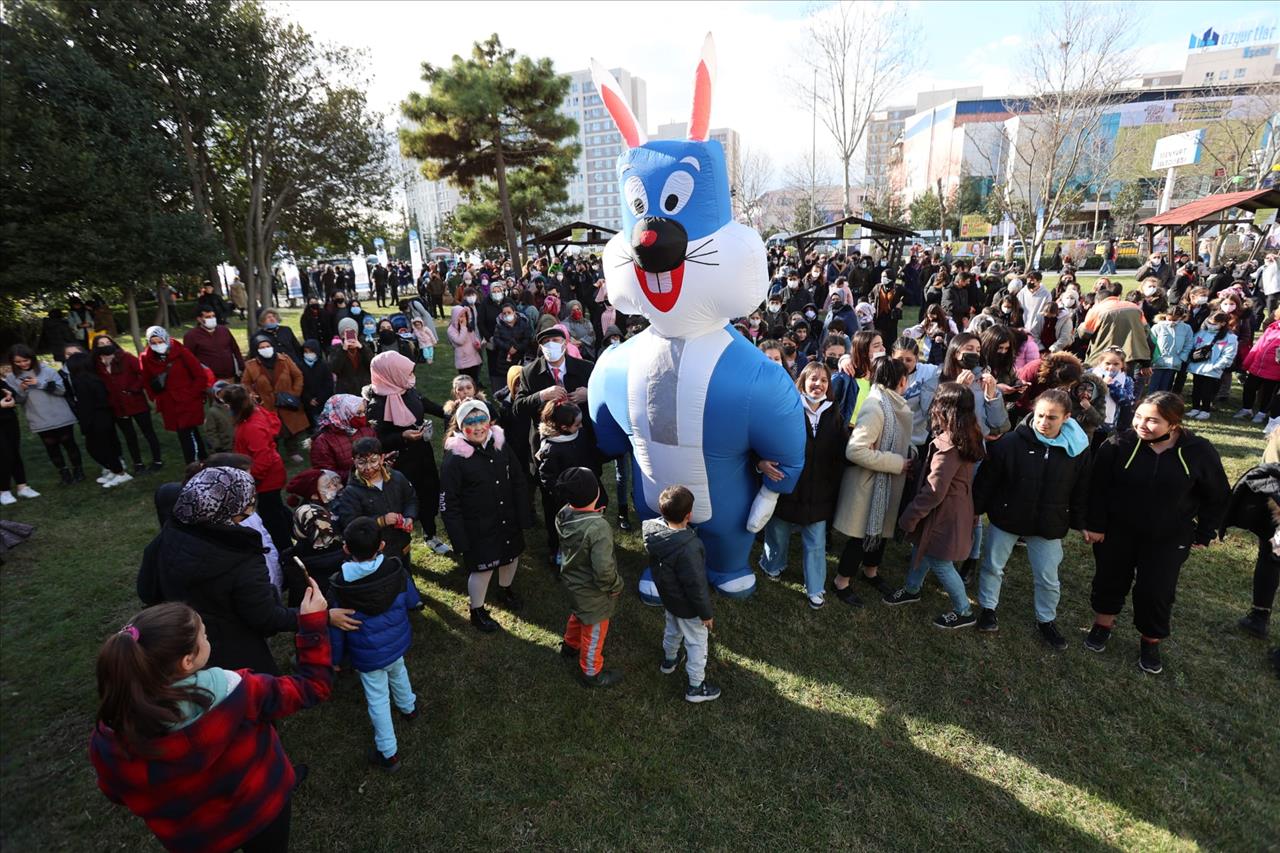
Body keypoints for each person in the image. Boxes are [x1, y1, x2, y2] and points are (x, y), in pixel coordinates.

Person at [89, 591, 332, 853]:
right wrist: (312, 623)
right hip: (260, 808)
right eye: (203, 636)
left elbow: (115, 793)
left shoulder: (110, 738)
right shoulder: (238, 693)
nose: (207, 638)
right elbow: (312, 686)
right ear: (187, 661)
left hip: (194, 836)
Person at [1083, 392, 1230, 673]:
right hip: (1117, 532)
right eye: (1139, 416)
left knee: (1156, 591)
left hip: (1168, 537)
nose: (1141, 424)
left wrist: (1206, 531)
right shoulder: (1119, 444)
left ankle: (1150, 640)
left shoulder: (1198, 451)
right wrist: (1096, 524)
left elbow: (1218, 494)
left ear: (1173, 424)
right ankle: (1102, 625)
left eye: (1153, 421)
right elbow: (1097, 487)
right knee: (1109, 579)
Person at [137, 466, 302, 673]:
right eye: (249, 501)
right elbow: (266, 618)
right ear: (231, 508)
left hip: (186, 647)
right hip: (238, 657)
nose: (251, 508)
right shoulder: (241, 556)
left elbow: (147, 590)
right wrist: (316, 616)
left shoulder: (171, 532)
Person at [973, 390, 1090, 648]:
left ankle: (1046, 620)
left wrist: (1081, 522)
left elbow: (1081, 488)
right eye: (1039, 415)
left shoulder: (1078, 449)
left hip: (1048, 522)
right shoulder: (1010, 442)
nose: (1043, 423)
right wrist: (975, 510)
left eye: (1052, 418)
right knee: (993, 565)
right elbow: (988, 480)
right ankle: (988, 609)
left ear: (1067, 418)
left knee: (1048, 576)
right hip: (1008, 516)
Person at [884, 382, 986, 629]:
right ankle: (911, 588)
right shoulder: (968, 433)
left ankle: (963, 610)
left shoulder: (947, 447)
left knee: (940, 561)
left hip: (943, 515)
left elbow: (934, 491)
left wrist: (909, 516)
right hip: (954, 509)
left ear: (944, 409)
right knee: (925, 548)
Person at [327, 516, 421, 772]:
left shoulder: (340, 584)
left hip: (367, 655)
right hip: (395, 643)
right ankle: (408, 707)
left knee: (378, 698)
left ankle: (388, 751)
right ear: (381, 545)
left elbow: (336, 627)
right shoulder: (395, 568)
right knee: (399, 670)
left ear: (346, 549)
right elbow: (413, 600)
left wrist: (335, 659)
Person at [758, 362, 848, 609]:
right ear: (803, 382)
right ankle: (772, 564)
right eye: (813, 379)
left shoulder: (834, 413)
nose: (818, 384)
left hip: (819, 491)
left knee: (816, 541)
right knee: (778, 532)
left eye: (823, 380)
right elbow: (765, 439)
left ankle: (815, 587)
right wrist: (761, 462)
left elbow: (840, 450)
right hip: (788, 486)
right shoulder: (788, 408)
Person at [440, 400, 532, 632]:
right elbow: (448, 503)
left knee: (511, 557)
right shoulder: (454, 460)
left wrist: (524, 513)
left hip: (507, 518)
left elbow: (519, 480)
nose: (478, 427)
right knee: (483, 569)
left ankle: (505, 589)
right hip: (478, 527)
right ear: (461, 427)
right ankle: (477, 610)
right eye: (470, 422)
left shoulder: (501, 446)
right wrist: (459, 538)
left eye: (482, 420)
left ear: (490, 422)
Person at [831, 356, 913, 605]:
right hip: (868, 484)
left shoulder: (893, 403)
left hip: (884, 483)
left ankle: (871, 572)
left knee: (880, 532)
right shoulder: (876, 406)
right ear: (902, 380)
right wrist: (897, 463)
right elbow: (855, 450)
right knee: (861, 536)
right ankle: (841, 582)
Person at [365, 350, 451, 555]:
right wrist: (402, 436)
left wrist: (448, 411)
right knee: (405, 501)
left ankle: (430, 534)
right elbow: (378, 442)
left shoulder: (406, 388)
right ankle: (401, 544)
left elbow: (424, 402)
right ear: (391, 374)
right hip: (400, 464)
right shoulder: (377, 405)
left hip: (422, 454)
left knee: (429, 492)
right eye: (406, 372)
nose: (412, 377)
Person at [643, 485, 721, 703]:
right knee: (696, 642)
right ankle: (695, 686)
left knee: (673, 628)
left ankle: (669, 660)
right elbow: (696, 586)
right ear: (689, 515)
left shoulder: (654, 533)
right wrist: (705, 614)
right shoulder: (689, 547)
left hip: (669, 598)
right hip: (688, 607)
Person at [555, 467, 624, 687]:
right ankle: (591, 672)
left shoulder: (563, 513)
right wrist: (615, 585)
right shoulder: (598, 527)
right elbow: (603, 569)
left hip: (572, 582)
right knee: (594, 628)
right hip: (592, 592)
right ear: (595, 492)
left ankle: (569, 645)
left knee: (578, 614)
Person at [331, 437, 419, 569]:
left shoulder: (397, 477)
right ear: (353, 461)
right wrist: (381, 521)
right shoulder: (351, 492)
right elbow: (350, 524)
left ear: (382, 458)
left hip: (402, 543)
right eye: (361, 463)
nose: (368, 468)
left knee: (405, 575)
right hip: (375, 553)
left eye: (373, 461)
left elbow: (411, 499)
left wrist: (409, 517)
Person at [4, 343, 84, 484]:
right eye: (17, 362)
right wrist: (22, 389)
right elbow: (18, 400)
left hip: (59, 414)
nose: (22, 364)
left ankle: (78, 470)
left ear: (32, 358)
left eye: (25, 360)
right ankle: (63, 472)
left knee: (69, 443)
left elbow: (62, 391)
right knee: (51, 446)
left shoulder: (48, 371)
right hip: (38, 417)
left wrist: (40, 383)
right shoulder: (11, 378)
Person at [514, 326, 593, 465]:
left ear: (564, 343)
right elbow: (518, 407)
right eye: (546, 342)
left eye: (555, 340)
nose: (551, 344)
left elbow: (606, 397)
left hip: (580, 439)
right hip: (548, 444)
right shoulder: (529, 373)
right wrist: (541, 396)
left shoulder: (585, 368)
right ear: (541, 347)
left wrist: (590, 394)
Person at [535, 400, 600, 567]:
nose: (580, 426)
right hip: (562, 501)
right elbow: (546, 477)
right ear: (563, 427)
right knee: (560, 528)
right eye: (577, 424)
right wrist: (562, 495)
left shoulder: (580, 434)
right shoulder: (551, 448)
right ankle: (558, 552)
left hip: (583, 492)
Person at [138, 326, 209, 465]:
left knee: (186, 431)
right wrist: (156, 398)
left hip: (188, 400)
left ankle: (193, 464)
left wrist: (191, 394)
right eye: (154, 343)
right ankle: (202, 458)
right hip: (168, 402)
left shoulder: (182, 352)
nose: (158, 345)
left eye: (160, 341)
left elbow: (200, 376)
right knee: (188, 431)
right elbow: (146, 380)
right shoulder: (146, 358)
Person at [65, 352, 132, 488]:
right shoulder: (95, 378)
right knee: (108, 446)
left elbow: (86, 405)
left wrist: (85, 424)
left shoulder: (81, 382)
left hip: (95, 419)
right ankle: (115, 470)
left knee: (99, 448)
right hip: (104, 416)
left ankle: (120, 473)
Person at [241, 334, 308, 462]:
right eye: (262, 347)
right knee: (271, 431)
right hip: (267, 404)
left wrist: (294, 393)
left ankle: (292, 451)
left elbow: (298, 375)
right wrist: (253, 395)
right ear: (256, 350)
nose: (266, 349)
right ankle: (273, 454)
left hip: (287, 401)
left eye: (268, 346)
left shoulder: (284, 359)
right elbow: (245, 383)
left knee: (291, 428)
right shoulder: (251, 366)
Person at [1186, 311, 1239, 420]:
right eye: (1209, 322)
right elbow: (1193, 345)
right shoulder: (1202, 332)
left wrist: (1217, 366)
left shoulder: (1230, 338)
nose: (1211, 325)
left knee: (1207, 391)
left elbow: (1228, 355)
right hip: (1197, 367)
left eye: (1214, 324)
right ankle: (1195, 408)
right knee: (1196, 389)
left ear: (1223, 324)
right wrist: (1190, 359)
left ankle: (1205, 410)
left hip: (1212, 369)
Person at [309, 394, 374, 482]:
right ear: (342, 413)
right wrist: (358, 474)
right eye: (358, 413)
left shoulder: (367, 430)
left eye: (364, 412)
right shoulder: (323, 442)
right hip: (347, 490)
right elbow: (326, 475)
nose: (363, 416)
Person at [1235, 306, 1280, 424]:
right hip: (1258, 366)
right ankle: (1246, 409)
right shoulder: (1272, 328)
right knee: (1249, 387)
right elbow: (1258, 345)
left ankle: (1262, 413)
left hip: (1274, 370)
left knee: (1268, 392)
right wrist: (1247, 363)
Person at [0, 382, 39, 505]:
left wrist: (10, 397)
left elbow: (14, 395)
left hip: (9, 421)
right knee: (3, 455)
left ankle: (22, 487)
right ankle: (4, 491)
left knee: (14, 453)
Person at [183, 307, 243, 384]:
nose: (211, 319)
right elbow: (189, 359)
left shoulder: (224, 330)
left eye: (213, 316)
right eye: (207, 317)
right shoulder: (191, 336)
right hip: (210, 379)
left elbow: (235, 350)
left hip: (230, 376)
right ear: (199, 319)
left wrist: (242, 367)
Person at [1089, 346, 1137, 435]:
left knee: (1098, 444)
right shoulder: (1090, 374)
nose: (1111, 367)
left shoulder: (1126, 380)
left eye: (1116, 364)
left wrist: (1113, 385)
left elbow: (1127, 401)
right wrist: (1100, 384)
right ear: (1100, 362)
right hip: (1086, 418)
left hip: (1106, 422)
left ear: (1122, 364)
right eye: (1107, 363)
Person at [1149, 309, 1194, 394]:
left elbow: (1189, 343)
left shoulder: (1186, 328)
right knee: (1153, 387)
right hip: (1158, 362)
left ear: (1181, 318)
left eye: (1175, 320)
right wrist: (1154, 358)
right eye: (1169, 320)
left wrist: (1181, 358)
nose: (1171, 322)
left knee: (1165, 387)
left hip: (1174, 363)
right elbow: (1151, 343)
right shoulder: (1158, 327)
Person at [330, 317, 374, 396]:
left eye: (351, 332)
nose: (348, 335)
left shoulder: (364, 345)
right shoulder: (336, 349)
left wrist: (361, 348)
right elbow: (334, 369)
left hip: (365, 389)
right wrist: (343, 350)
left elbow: (372, 364)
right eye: (345, 333)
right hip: (346, 391)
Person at [298, 339, 335, 429]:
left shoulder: (324, 365)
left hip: (324, 401)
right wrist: (309, 399)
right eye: (306, 352)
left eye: (311, 351)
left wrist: (319, 399)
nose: (308, 354)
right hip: (309, 404)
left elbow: (328, 384)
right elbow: (300, 385)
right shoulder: (300, 366)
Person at [448, 302, 485, 385]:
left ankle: (475, 393)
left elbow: (474, 337)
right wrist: (463, 327)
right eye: (460, 316)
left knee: (474, 380)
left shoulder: (468, 327)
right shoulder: (451, 330)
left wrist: (477, 343)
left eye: (464, 316)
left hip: (473, 358)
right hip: (464, 361)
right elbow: (460, 341)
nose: (463, 318)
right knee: (466, 381)